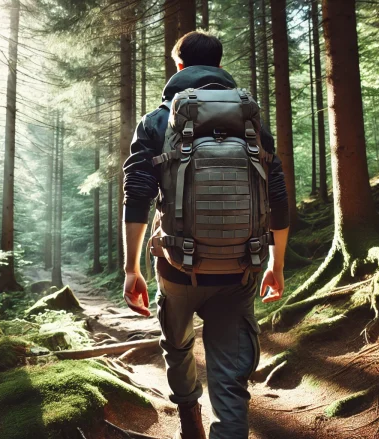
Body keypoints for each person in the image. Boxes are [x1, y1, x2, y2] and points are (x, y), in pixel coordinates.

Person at [121, 31, 290, 439]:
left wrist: (131, 268)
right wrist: (276, 264)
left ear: (179, 65)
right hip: (239, 270)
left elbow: (138, 193)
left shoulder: (159, 120)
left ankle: (189, 419)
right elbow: (278, 195)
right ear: (218, 64)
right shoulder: (251, 121)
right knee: (231, 376)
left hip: (177, 269)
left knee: (177, 346)